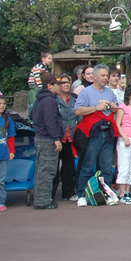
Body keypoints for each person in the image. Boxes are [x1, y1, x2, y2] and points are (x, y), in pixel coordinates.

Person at [73, 64, 119, 205]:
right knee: (87, 165)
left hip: (108, 132)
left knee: (106, 167)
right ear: (94, 76)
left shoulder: (110, 92)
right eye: (103, 75)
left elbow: (116, 108)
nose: (106, 78)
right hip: (93, 134)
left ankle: (105, 194)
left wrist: (113, 107)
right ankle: (81, 195)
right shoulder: (86, 92)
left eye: (107, 76)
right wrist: (96, 108)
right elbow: (78, 111)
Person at [30, 72, 64, 210]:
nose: (60, 87)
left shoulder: (40, 99)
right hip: (47, 139)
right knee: (47, 171)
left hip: (40, 137)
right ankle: (43, 201)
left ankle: (40, 198)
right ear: (50, 86)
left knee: (41, 170)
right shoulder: (49, 100)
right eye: (58, 84)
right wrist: (56, 138)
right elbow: (50, 121)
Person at [52, 74, 79, 202]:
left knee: (68, 166)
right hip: (57, 137)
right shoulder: (53, 99)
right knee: (53, 167)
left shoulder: (75, 98)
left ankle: (68, 192)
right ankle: (50, 193)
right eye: (62, 83)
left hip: (71, 137)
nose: (66, 85)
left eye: (68, 82)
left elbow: (79, 114)